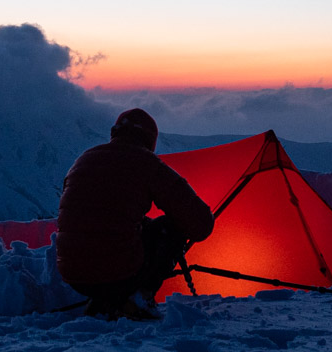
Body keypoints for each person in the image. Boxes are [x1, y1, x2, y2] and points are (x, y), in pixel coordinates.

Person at [56, 108, 214, 319]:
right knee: (171, 228)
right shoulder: (146, 163)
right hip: (117, 273)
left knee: (132, 229)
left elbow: (96, 214)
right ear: (150, 140)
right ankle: (137, 298)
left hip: (73, 274)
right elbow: (201, 223)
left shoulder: (84, 159)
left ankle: (107, 300)